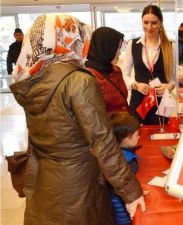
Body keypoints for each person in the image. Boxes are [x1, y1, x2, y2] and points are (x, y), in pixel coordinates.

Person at [10, 14, 145, 225]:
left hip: (43, 184)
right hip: (79, 187)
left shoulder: (31, 80)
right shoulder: (79, 81)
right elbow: (103, 142)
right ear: (69, 39)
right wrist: (131, 190)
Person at [122, 4, 175, 125]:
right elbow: (124, 73)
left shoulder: (170, 46)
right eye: (146, 22)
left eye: (154, 23)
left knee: (162, 134)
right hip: (139, 99)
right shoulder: (133, 44)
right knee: (136, 135)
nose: (149, 27)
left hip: (162, 99)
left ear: (161, 23)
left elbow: (175, 77)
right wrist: (135, 85)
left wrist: (169, 86)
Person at [85, 27, 129, 113]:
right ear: (105, 47)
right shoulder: (88, 76)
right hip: (106, 125)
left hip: (124, 123)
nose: (119, 52)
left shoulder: (116, 70)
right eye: (117, 47)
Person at [110, 112, 141, 225]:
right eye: (137, 134)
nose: (139, 137)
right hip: (121, 209)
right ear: (127, 139)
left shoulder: (113, 152)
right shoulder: (129, 163)